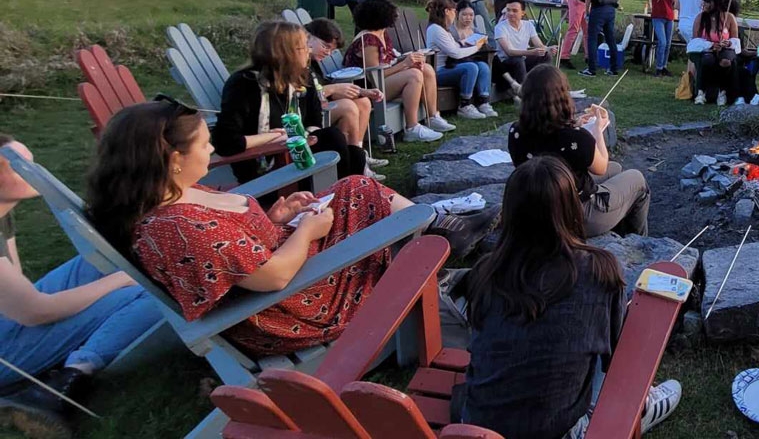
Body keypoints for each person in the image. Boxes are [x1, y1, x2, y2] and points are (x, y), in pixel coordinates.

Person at [84, 101, 495, 357]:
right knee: (363, 198)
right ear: (173, 158)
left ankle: (436, 235)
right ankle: (436, 239)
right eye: (204, 144)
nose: (212, 150)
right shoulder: (175, 229)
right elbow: (274, 276)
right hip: (296, 307)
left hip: (290, 265)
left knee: (355, 187)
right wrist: (307, 232)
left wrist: (276, 218)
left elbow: (234, 248)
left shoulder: (176, 193)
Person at [456, 156, 680, 438]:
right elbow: (615, 359)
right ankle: (642, 409)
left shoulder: (486, 271)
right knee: (604, 353)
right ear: (571, 207)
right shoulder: (599, 269)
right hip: (557, 432)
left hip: (476, 425)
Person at [0, 136, 160, 437]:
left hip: (8, 320)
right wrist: (121, 280)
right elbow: (35, 312)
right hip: (4, 348)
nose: (32, 169)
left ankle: (55, 360)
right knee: (148, 292)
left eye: (30, 159)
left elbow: (19, 283)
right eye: (19, 165)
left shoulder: (2, 214)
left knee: (106, 259)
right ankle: (64, 382)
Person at [213, 21, 370, 182]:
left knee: (355, 155)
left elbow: (314, 120)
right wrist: (274, 137)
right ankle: (344, 195)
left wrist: (303, 139)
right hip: (266, 170)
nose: (309, 51)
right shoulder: (245, 84)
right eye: (304, 47)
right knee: (333, 137)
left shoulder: (302, 78)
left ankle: (348, 193)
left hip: (298, 155)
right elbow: (226, 143)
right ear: (286, 52)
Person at [508, 65, 649, 238]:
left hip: (538, 205)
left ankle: (616, 227)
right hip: (576, 215)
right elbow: (601, 167)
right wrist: (597, 131)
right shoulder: (575, 138)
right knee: (637, 179)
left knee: (617, 169)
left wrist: (574, 124)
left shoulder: (516, 132)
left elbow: (549, 139)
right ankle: (637, 242)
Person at [342, 0, 452, 143]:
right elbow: (373, 76)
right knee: (413, 75)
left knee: (426, 69)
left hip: (382, 82)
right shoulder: (368, 41)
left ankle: (433, 117)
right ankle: (412, 128)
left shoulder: (381, 34)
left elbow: (390, 61)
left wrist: (411, 60)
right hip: (369, 89)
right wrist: (405, 64)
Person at [302, 18, 389, 174]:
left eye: (330, 50)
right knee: (348, 107)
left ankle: (359, 154)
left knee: (363, 102)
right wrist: (334, 88)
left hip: (319, 106)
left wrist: (362, 91)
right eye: (325, 46)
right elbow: (305, 94)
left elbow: (319, 87)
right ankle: (354, 163)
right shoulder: (301, 62)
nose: (327, 53)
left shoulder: (313, 62)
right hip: (306, 116)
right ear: (308, 37)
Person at [423, 0, 497, 119]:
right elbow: (455, 53)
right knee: (470, 67)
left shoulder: (442, 29)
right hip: (438, 72)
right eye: (454, 11)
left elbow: (454, 46)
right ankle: (465, 105)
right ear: (447, 11)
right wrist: (477, 47)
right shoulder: (436, 30)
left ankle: (484, 102)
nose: (454, 14)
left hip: (448, 68)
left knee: (482, 66)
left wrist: (465, 43)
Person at [493, 0, 559, 98]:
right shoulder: (500, 27)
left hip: (522, 59)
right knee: (518, 59)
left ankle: (544, 85)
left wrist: (548, 48)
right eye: (508, 10)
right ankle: (525, 93)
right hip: (505, 62)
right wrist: (531, 52)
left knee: (545, 55)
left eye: (515, 11)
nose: (510, 13)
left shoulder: (528, 25)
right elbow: (509, 52)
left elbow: (539, 45)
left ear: (522, 13)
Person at [690, 0, 740, 106]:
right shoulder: (700, 18)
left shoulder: (729, 18)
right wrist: (711, 45)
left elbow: (736, 42)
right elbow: (694, 42)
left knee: (726, 61)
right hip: (707, 50)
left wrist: (728, 43)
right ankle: (701, 92)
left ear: (715, 3)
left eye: (708, 2)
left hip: (726, 49)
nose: (704, 4)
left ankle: (722, 93)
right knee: (708, 59)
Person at [645, 0, 679, 77]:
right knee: (662, 42)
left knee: (668, 43)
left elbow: (675, 1)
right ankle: (659, 68)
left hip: (669, 16)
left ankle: (664, 66)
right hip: (657, 15)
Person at [560, 0, 589, 69]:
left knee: (586, 30)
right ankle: (564, 57)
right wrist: (568, 0)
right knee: (573, 29)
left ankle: (588, 55)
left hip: (584, 4)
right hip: (576, 2)